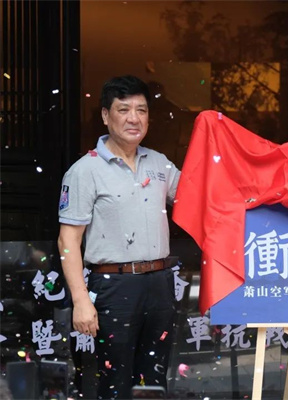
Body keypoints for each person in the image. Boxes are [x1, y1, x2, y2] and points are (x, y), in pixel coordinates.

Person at [57, 75, 180, 399]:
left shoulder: (160, 164)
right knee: (115, 381)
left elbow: (198, 199)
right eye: (123, 110)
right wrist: (81, 301)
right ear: (105, 115)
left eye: (141, 110)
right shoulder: (85, 170)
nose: (133, 118)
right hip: (114, 287)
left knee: (153, 382)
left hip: (160, 284)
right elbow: (68, 241)